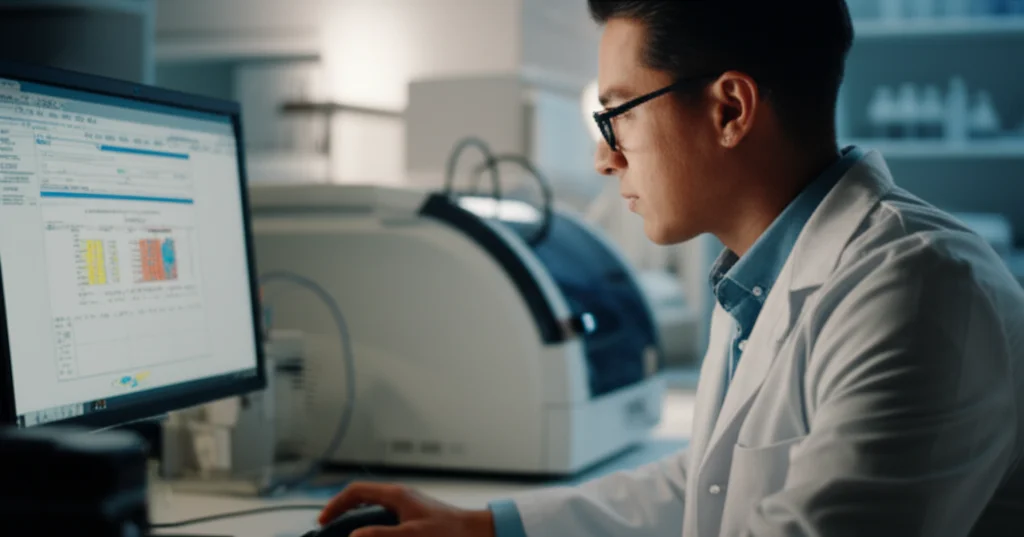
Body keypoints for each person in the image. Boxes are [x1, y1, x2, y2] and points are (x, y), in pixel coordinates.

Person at [319, 1, 1024, 536]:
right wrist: (488, 525)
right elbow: (709, 484)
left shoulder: (920, 293)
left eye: (617, 114)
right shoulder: (762, 273)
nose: (603, 157)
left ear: (729, 108)